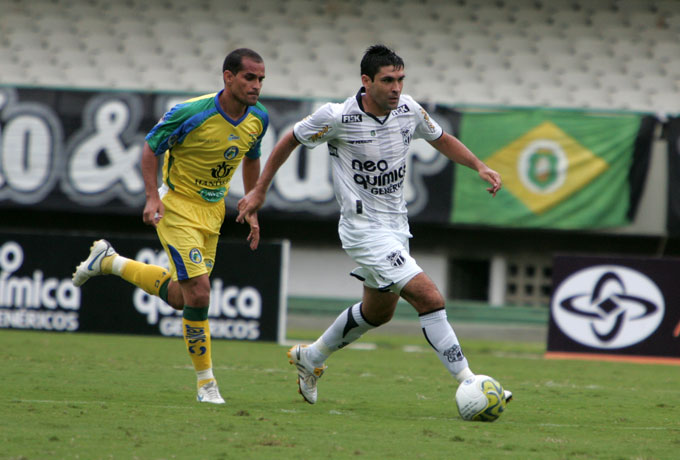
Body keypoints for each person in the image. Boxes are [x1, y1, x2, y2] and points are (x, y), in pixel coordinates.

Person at [236, 44, 512, 406]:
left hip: (397, 226)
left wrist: (479, 165)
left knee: (378, 313)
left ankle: (312, 357)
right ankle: (470, 381)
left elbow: (441, 138)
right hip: (362, 229)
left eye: (400, 79)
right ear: (366, 81)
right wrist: (259, 191)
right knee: (429, 297)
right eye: (387, 80)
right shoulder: (336, 117)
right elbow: (290, 140)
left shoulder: (409, 110)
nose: (396, 88)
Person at [72, 48, 268, 404]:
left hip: (213, 214)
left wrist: (252, 203)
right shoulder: (192, 112)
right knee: (202, 293)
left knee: (183, 298)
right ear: (228, 77)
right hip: (178, 207)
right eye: (249, 78)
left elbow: (251, 158)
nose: (256, 86)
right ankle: (206, 384)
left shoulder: (259, 118)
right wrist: (151, 197)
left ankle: (109, 261)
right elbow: (150, 148)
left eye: (260, 79)